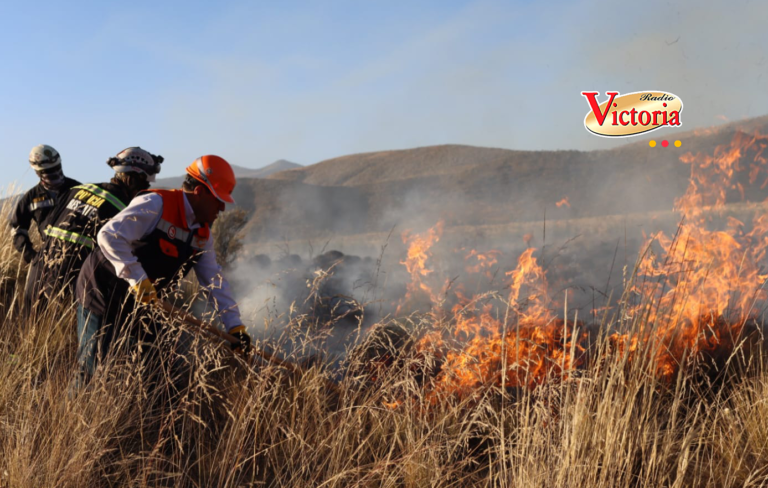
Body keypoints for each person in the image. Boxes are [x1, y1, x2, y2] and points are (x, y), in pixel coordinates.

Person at [74, 155, 251, 385]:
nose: (222, 208)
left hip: (145, 300)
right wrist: (137, 278)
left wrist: (234, 325)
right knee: (92, 366)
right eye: (218, 200)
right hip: (101, 291)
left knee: (159, 370)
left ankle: (146, 417)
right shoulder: (156, 204)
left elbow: (214, 280)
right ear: (199, 193)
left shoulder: (202, 234)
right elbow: (108, 236)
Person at [25, 147, 163, 310]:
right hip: (71, 286)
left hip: (36, 277)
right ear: (131, 179)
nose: (145, 189)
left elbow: (47, 229)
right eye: (144, 183)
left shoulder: (77, 190)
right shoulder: (123, 210)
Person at [10, 145, 79, 264]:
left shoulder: (78, 190)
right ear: (37, 172)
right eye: (49, 171)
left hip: (79, 257)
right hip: (49, 261)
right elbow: (17, 230)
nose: (55, 173)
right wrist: (33, 257)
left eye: (57, 168)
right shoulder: (31, 198)